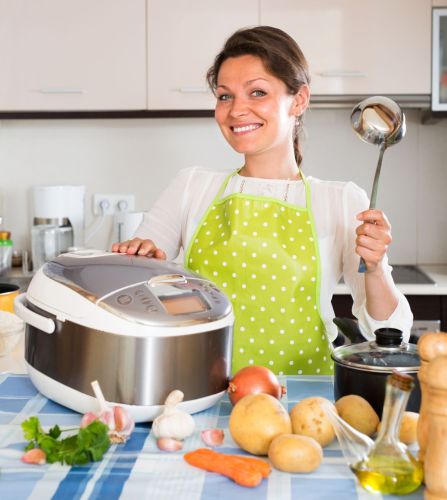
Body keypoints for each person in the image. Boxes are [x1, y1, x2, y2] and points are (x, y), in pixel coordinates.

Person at [112, 26, 413, 376]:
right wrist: (140, 261)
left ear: (299, 100)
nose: (237, 110)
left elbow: (389, 331)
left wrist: (374, 269)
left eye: (257, 92)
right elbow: (136, 288)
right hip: (202, 391)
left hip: (303, 399)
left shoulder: (341, 200)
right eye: (225, 96)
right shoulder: (192, 186)